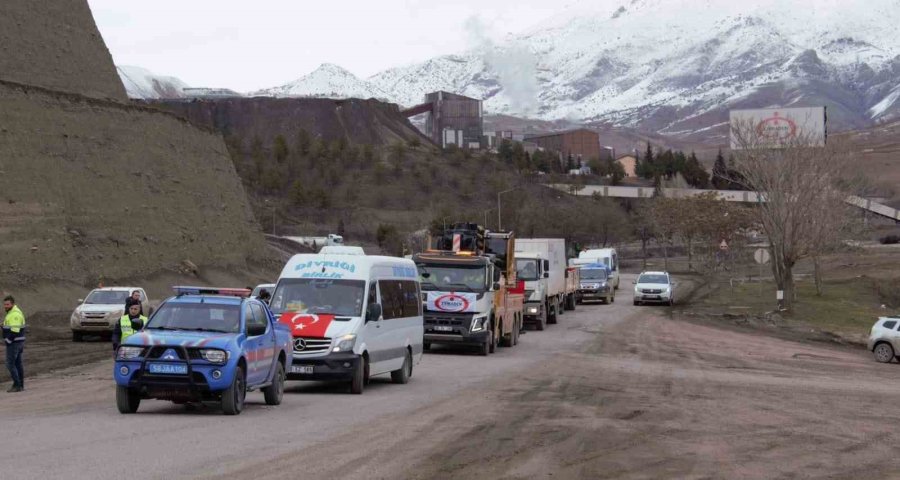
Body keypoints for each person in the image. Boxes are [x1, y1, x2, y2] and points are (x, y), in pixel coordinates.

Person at [3, 295, 26, 393]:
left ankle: (17, 385)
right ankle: (20, 384)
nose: (5, 306)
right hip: (18, 342)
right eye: (4, 304)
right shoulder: (12, 312)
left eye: (7, 304)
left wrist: (7, 341)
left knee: (10, 364)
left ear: (12, 304)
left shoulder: (14, 314)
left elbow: (15, 331)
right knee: (18, 364)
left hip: (14, 343)